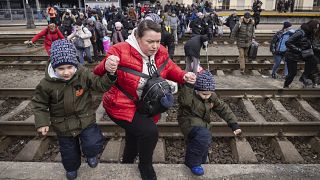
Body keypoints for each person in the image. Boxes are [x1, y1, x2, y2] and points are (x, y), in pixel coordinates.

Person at [93, 20, 196, 180]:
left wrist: (183, 76)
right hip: (120, 104)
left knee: (134, 135)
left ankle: (127, 162)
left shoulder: (160, 51)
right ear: (137, 37)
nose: (155, 46)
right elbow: (97, 72)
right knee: (149, 132)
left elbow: (169, 67)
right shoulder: (119, 50)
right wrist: (108, 64)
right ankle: (145, 165)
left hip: (146, 104)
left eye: (157, 41)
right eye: (150, 41)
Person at [31, 39, 117, 180]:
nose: (66, 72)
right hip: (62, 125)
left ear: (75, 63)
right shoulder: (46, 84)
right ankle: (71, 168)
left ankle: (91, 155)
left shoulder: (82, 74)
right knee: (68, 150)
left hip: (85, 119)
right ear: (53, 66)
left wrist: (111, 75)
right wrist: (42, 122)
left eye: (69, 67)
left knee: (92, 142)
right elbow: (39, 103)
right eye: (61, 69)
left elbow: (99, 84)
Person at [177, 70, 242, 176]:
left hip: (202, 122)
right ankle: (193, 163)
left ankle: (201, 159)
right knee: (203, 136)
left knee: (203, 139)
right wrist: (188, 85)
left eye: (209, 94)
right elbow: (184, 101)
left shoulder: (211, 96)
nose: (206, 97)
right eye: (204, 94)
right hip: (188, 120)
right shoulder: (189, 94)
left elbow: (223, 109)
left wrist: (233, 124)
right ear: (197, 90)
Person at [284, 20, 320, 88]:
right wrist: (299, 50)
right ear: (312, 27)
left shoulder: (309, 33)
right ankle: (286, 85)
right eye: (315, 28)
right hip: (292, 55)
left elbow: (311, 44)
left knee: (314, 60)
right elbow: (288, 42)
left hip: (302, 54)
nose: (316, 29)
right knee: (292, 73)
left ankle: (304, 77)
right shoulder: (300, 32)